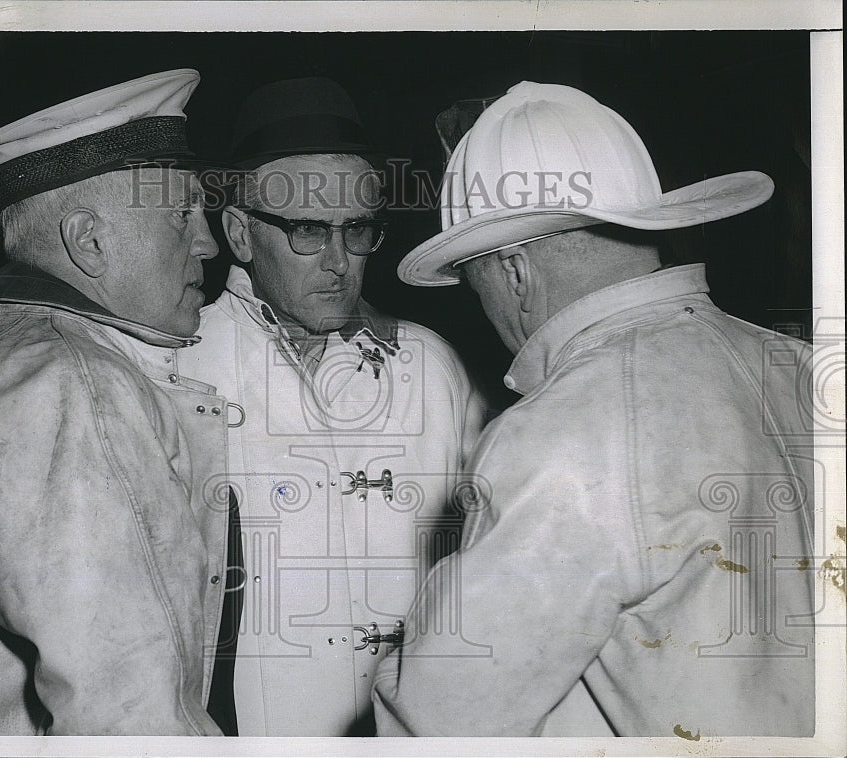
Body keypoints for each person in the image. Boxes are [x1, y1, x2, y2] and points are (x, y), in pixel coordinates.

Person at [373, 81, 815, 736]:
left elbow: (441, 722)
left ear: (516, 271)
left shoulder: (561, 431)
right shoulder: (802, 367)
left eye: (478, 284)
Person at [0, 69, 235, 735]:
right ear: (89, 239)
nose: (208, 243)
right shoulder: (76, 388)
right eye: (183, 213)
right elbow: (129, 719)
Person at [178, 76, 486, 736]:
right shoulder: (180, 371)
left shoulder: (430, 365)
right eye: (309, 231)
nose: (340, 262)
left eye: (358, 230)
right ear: (238, 232)